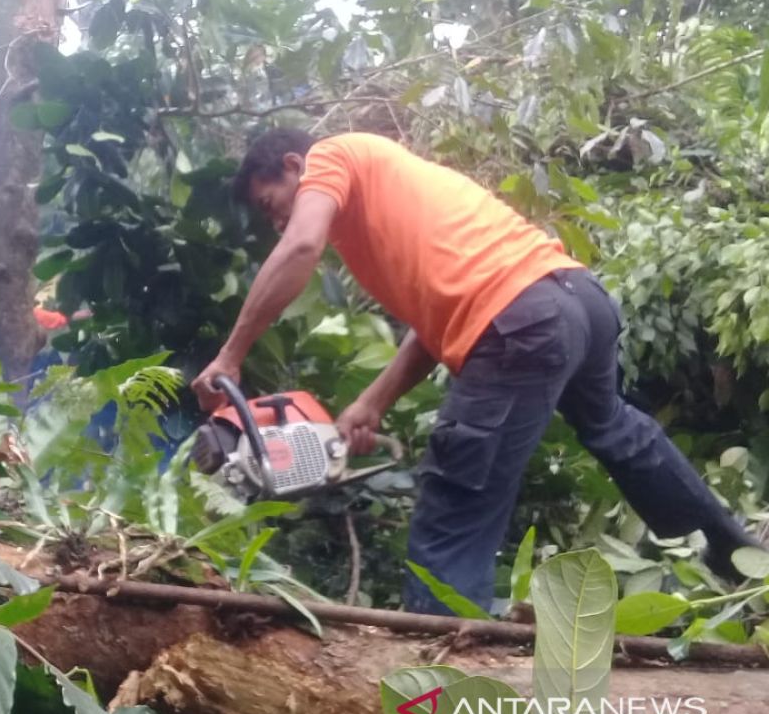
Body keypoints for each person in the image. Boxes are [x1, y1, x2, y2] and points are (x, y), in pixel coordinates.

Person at [190, 128, 761, 615]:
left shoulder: (333, 156)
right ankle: (741, 562)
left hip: (522, 319)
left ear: (295, 166)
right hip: (574, 298)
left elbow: (299, 246)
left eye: (273, 204)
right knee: (616, 429)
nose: (279, 221)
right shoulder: (393, 196)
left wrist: (231, 355)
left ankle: (444, 693)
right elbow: (435, 325)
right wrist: (372, 402)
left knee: (452, 507)